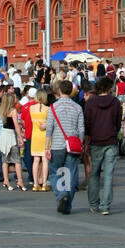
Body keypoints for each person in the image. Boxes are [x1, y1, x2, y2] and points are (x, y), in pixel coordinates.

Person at [83, 73, 122, 216]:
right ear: (109, 88)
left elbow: (87, 123)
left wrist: (87, 140)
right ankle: (105, 205)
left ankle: (94, 204)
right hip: (111, 140)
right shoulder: (115, 102)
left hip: (95, 141)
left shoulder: (91, 102)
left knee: (94, 173)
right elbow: (118, 122)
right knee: (109, 174)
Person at [45, 80, 85, 215]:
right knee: (71, 174)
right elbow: (81, 129)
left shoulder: (53, 107)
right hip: (72, 144)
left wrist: (46, 147)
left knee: (55, 171)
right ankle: (67, 205)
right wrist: (81, 143)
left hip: (57, 144)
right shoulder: (78, 107)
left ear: (60, 91)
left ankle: (61, 194)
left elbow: (49, 128)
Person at [0, 93, 26, 192]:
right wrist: (21, 138)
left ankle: (6, 180)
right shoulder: (13, 111)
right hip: (11, 136)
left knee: (5, 160)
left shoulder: (2, 110)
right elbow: (16, 127)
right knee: (17, 160)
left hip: (4, 135)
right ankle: (20, 181)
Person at [29, 89, 50, 191]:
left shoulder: (31, 108)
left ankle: (35, 183)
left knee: (36, 160)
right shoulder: (48, 109)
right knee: (45, 160)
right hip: (45, 136)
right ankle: (44, 184)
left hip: (35, 135)